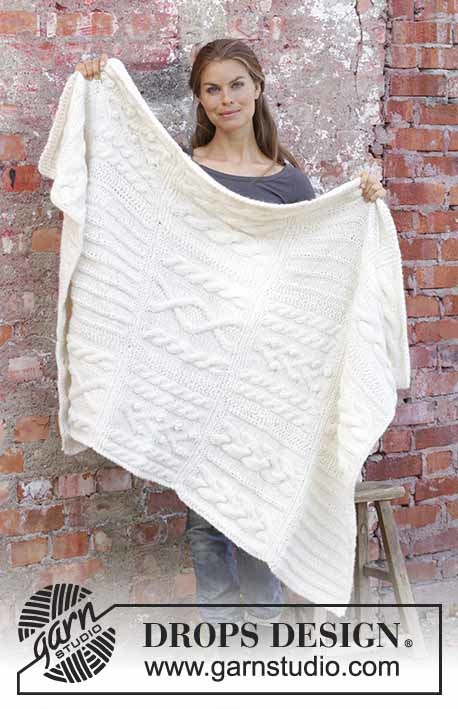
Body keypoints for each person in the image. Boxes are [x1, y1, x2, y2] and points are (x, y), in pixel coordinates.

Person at [75, 38, 386, 627]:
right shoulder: (182, 174)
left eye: (236, 85)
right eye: (212, 88)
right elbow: (125, 213)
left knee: (257, 526)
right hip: (197, 376)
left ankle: (261, 649)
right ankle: (219, 647)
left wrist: (360, 208)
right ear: (199, 97)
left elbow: (312, 288)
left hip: (264, 383)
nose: (226, 99)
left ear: (258, 87)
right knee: (205, 528)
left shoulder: (290, 186)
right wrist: (98, 89)